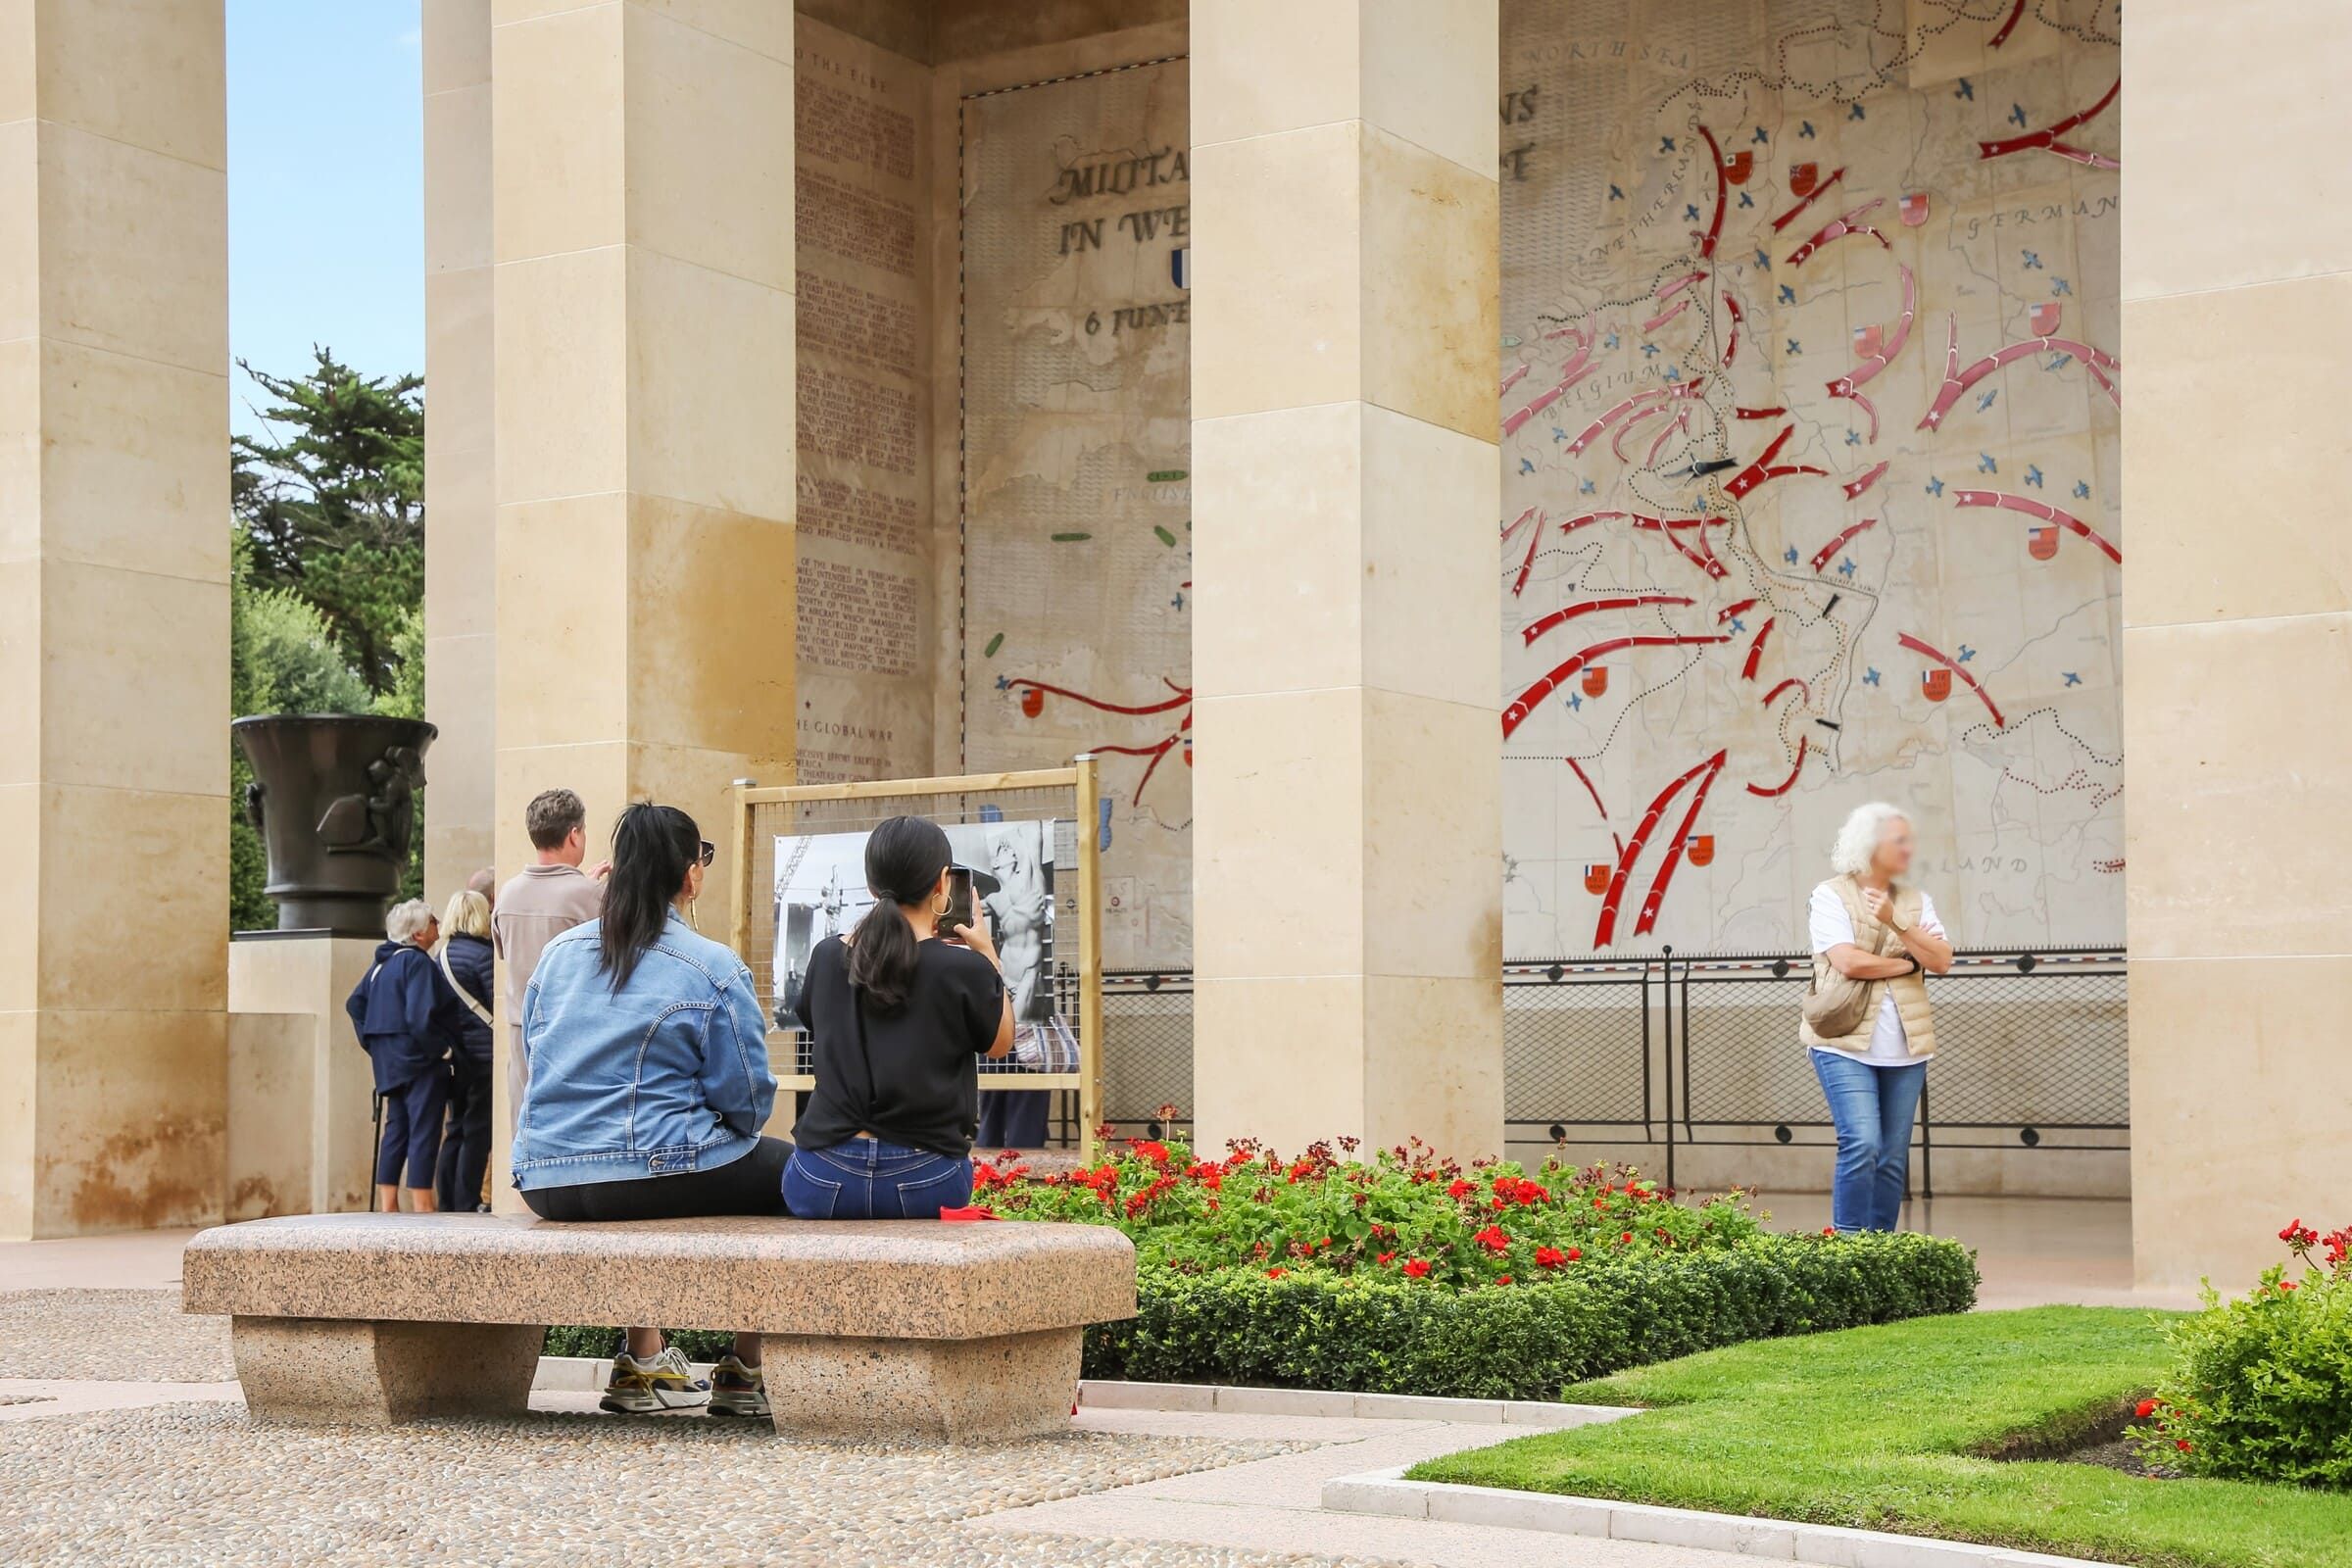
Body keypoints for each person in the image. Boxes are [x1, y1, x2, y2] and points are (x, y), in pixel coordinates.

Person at [514, 803, 786, 1418]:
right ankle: (746, 1371)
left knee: (636, 1178)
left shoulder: (558, 956)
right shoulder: (710, 965)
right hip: (651, 1171)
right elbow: (748, 1101)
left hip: (547, 1180)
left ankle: (644, 1363)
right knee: (793, 1179)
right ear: (690, 874)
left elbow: (536, 1056)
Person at [785, 815, 1013, 1221]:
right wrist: (988, 955)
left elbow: (817, 1024)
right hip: (928, 1178)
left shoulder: (826, 956)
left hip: (821, 1178)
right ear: (943, 882)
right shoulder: (964, 968)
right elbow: (1000, 1044)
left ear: (871, 884)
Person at [1801, 802, 1954, 1234]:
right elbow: (1848, 962)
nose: (1908, 848)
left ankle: (1881, 1249)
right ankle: (1849, 1245)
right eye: (1898, 840)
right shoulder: (1829, 895)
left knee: (1891, 1156)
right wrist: (1907, 962)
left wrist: (1897, 922)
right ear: (1870, 844)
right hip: (1843, 1042)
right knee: (1862, 1142)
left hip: (1907, 1047)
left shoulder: (1917, 901)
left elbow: (1941, 960)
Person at [493, 789, 608, 1132]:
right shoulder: (591, 896)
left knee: (526, 1127)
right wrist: (588, 889)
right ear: (574, 834)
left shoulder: (508, 893)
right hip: (574, 1031)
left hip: (521, 1030)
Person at [345, 899, 466, 1213]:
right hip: (420, 1058)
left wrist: (373, 1041)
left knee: (396, 1127)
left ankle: (389, 1204)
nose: (438, 926)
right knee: (425, 1127)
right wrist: (442, 1049)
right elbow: (419, 1015)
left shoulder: (381, 965)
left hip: (388, 1059)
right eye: (433, 921)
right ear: (417, 934)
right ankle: (423, 1204)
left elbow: (355, 1004)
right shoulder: (417, 963)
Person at [976, 832, 1052, 1150]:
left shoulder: (1031, 885)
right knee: (996, 1065)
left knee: (1029, 1067)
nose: (1003, 852)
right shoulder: (995, 898)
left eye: (1007, 848)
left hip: (1029, 978)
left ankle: (1025, 1149)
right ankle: (989, 1151)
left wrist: (1023, 835)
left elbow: (1032, 847)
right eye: (1000, 850)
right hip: (1004, 982)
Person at [433, 889, 498, 1212]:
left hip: (455, 1058)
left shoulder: (440, 957)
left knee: (454, 1128)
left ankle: (447, 1201)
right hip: (483, 1056)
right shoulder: (484, 956)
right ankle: (467, 1201)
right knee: (477, 1132)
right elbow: (496, 1003)